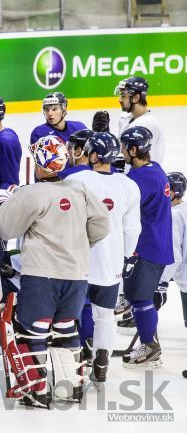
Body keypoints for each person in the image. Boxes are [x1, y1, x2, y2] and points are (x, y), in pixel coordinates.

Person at [0, 136, 110, 408]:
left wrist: (0, 203)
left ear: (41, 165)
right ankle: (70, 389)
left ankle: (36, 391)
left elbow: (6, 229)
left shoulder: (31, 193)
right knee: (66, 329)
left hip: (41, 275)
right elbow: (102, 224)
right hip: (76, 274)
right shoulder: (78, 189)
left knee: (34, 331)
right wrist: (79, 243)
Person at [62, 132, 141, 383]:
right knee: (104, 316)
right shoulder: (128, 185)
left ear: (93, 155)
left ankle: (75, 360)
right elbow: (132, 228)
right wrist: (128, 258)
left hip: (79, 260)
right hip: (111, 262)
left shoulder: (76, 180)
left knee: (69, 314)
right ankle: (101, 361)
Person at [118, 126, 173, 368]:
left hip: (146, 247)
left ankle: (150, 345)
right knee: (142, 298)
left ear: (133, 149)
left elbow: (122, 208)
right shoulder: (156, 170)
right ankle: (150, 337)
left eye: (124, 147)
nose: (121, 151)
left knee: (139, 299)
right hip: (157, 243)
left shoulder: (140, 179)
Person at [116, 76, 165, 165]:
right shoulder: (124, 118)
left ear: (136, 97)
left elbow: (142, 162)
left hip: (142, 176)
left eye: (123, 96)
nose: (119, 100)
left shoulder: (148, 125)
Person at [160, 172, 187, 328]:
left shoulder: (174, 215)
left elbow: (174, 255)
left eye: (167, 190)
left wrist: (162, 281)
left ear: (175, 192)